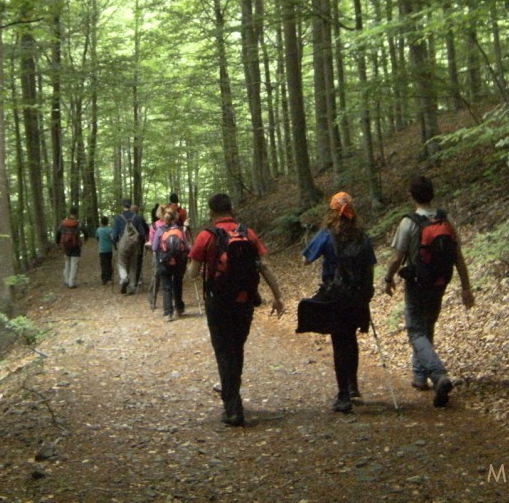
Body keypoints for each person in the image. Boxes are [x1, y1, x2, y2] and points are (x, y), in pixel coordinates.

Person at [186, 193, 284, 427]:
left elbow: (192, 273)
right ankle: (234, 400)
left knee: (223, 351)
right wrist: (278, 296)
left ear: (212, 212)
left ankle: (232, 408)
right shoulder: (247, 233)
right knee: (236, 349)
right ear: (232, 209)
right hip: (244, 301)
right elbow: (264, 266)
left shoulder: (206, 236)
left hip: (217, 302)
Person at [382, 176, 475, 407]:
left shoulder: (409, 222)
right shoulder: (445, 219)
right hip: (440, 282)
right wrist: (466, 287)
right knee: (427, 326)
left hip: (417, 283)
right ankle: (419, 377)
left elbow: (397, 258)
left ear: (412, 196)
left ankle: (438, 374)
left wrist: (387, 278)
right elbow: (458, 257)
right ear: (432, 195)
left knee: (415, 331)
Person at [302, 191, 376, 414]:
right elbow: (370, 265)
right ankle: (353, 386)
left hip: (335, 295)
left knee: (339, 342)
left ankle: (343, 395)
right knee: (350, 338)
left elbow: (306, 259)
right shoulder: (362, 236)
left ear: (332, 211)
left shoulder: (327, 234)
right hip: (357, 296)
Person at [151, 207, 189, 321]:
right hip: (178, 261)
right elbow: (186, 245)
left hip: (164, 261)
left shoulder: (160, 230)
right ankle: (179, 308)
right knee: (178, 283)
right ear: (175, 217)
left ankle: (168, 313)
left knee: (166, 287)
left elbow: (154, 247)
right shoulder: (180, 230)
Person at [113, 199, 148, 294]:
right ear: (130, 206)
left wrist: (114, 244)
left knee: (121, 263)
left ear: (123, 206)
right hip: (135, 245)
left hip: (123, 244)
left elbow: (115, 234)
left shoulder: (118, 218)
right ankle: (132, 287)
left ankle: (124, 278)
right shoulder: (136, 218)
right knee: (133, 265)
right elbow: (142, 233)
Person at [56, 207, 85, 289]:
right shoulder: (78, 223)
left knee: (67, 262)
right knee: (74, 263)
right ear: (76, 213)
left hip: (66, 245)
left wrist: (58, 242)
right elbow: (85, 231)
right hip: (75, 245)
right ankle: (72, 283)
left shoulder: (63, 223)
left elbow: (58, 233)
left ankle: (66, 280)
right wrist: (85, 238)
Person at [96, 215, 114, 285]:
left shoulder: (98, 230)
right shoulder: (110, 230)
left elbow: (97, 238)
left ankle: (104, 278)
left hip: (102, 250)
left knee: (103, 264)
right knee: (109, 263)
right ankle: (109, 277)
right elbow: (112, 238)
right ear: (107, 222)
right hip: (109, 249)